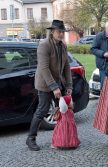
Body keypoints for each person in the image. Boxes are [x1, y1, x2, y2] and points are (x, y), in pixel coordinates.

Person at [26, 20, 73, 151]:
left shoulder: (63, 45)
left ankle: (61, 137)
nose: (62, 34)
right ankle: (30, 138)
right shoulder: (44, 45)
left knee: (63, 110)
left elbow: (67, 66)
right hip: (45, 84)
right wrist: (54, 87)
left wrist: (69, 85)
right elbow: (44, 68)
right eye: (59, 31)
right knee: (42, 110)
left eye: (63, 32)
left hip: (59, 83)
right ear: (52, 32)